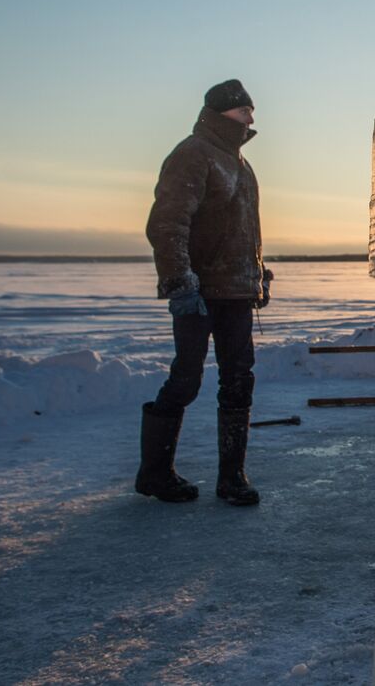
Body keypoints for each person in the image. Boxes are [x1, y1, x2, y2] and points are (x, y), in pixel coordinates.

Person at [136, 79, 271, 507]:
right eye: (243, 111)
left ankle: (232, 478)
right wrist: (179, 282)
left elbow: (242, 229)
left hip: (235, 292)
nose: (251, 118)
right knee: (186, 379)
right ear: (220, 113)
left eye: (251, 110)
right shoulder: (193, 155)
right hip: (199, 291)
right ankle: (155, 474)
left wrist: (257, 275)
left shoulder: (241, 164)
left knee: (238, 381)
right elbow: (168, 223)